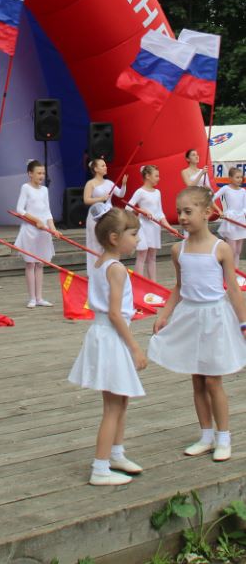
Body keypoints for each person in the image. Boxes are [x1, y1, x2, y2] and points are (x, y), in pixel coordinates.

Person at [148, 186, 246, 462]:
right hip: (189, 317)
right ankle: (205, 435)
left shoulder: (221, 248)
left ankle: (223, 436)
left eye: (188, 211)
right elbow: (179, 287)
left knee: (214, 380)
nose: (182, 217)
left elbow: (233, 290)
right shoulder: (178, 249)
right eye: (179, 211)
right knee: (197, 380)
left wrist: (243, 323)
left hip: (215, 318)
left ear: (207, 213)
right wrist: (164, 314)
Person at [68, 208, 147, 485]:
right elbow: (115, 313)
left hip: (105, 334)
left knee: (121, 399)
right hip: (112, 336)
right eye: (134, 234)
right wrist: (135, 347)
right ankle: (100, 468)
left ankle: (117, 453)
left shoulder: (101, 263)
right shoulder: (116, 270)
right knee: (113, 407)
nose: (138, 239)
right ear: (114, 238)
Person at [14, 160, 60, 308]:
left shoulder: (45, 190)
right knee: (30, 263)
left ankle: (39, 297)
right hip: (30, 230)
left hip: (43, 231)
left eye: (43, 173)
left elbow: (47, 211)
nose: (41, 175)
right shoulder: (25, 188)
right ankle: (32, 298)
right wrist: (36, 221)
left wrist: (53, 228)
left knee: (40, 264)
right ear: (30, 174)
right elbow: (20, 209)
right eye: (39, 173)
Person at [83, 158, 127, 275]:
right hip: (95, 217)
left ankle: (107, 269)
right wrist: (101, 199)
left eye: (105, 165)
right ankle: (94, 271)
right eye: (102, 166)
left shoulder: (109, 183)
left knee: (108, 242)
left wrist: (123, 184)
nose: (105, 167)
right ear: (96, 169)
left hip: (108, 216)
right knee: (95, 243)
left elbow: (121, 194)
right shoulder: (90, 183)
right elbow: (86, 200)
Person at [127, 165, 171, 282]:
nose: (159, 178)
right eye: (156, 176)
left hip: (155, 227)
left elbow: (160, 213)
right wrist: (141, 210)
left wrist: (169, 227)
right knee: (142, 255)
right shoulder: (140, 192)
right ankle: (139, 283)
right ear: (147, 176)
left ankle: (153, 284)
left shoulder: (157, 192)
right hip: (143, 226)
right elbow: (128, 207)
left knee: (152, 257)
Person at [214, 168, 246, 270]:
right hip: (230, 220)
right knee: (231, 250)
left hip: (240, 220)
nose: (240, 179)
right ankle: (228, 273)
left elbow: (245, 206)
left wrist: (243, 213)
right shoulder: (226, 189)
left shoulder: (243, 191)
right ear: (230, 178)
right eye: (237, 177)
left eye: (241, 177)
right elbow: (211, 199)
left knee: (238, 251)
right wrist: (219, 211)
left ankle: (235, 272)